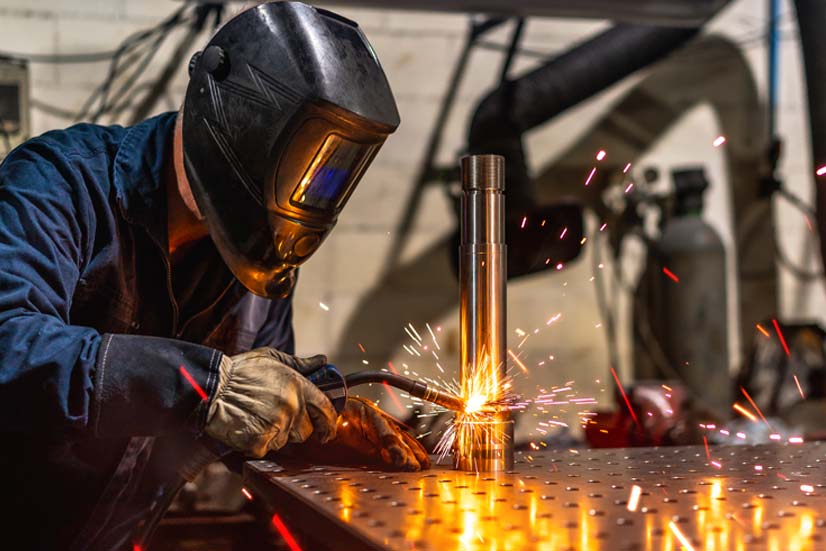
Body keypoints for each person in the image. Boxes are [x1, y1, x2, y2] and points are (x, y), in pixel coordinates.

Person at [0, 3, 428, 549]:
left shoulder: (259, 263)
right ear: (237, 119)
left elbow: (253, 424)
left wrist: (326, 426)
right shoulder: (60, 184)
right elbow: (8, 346)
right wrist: (200, 384)